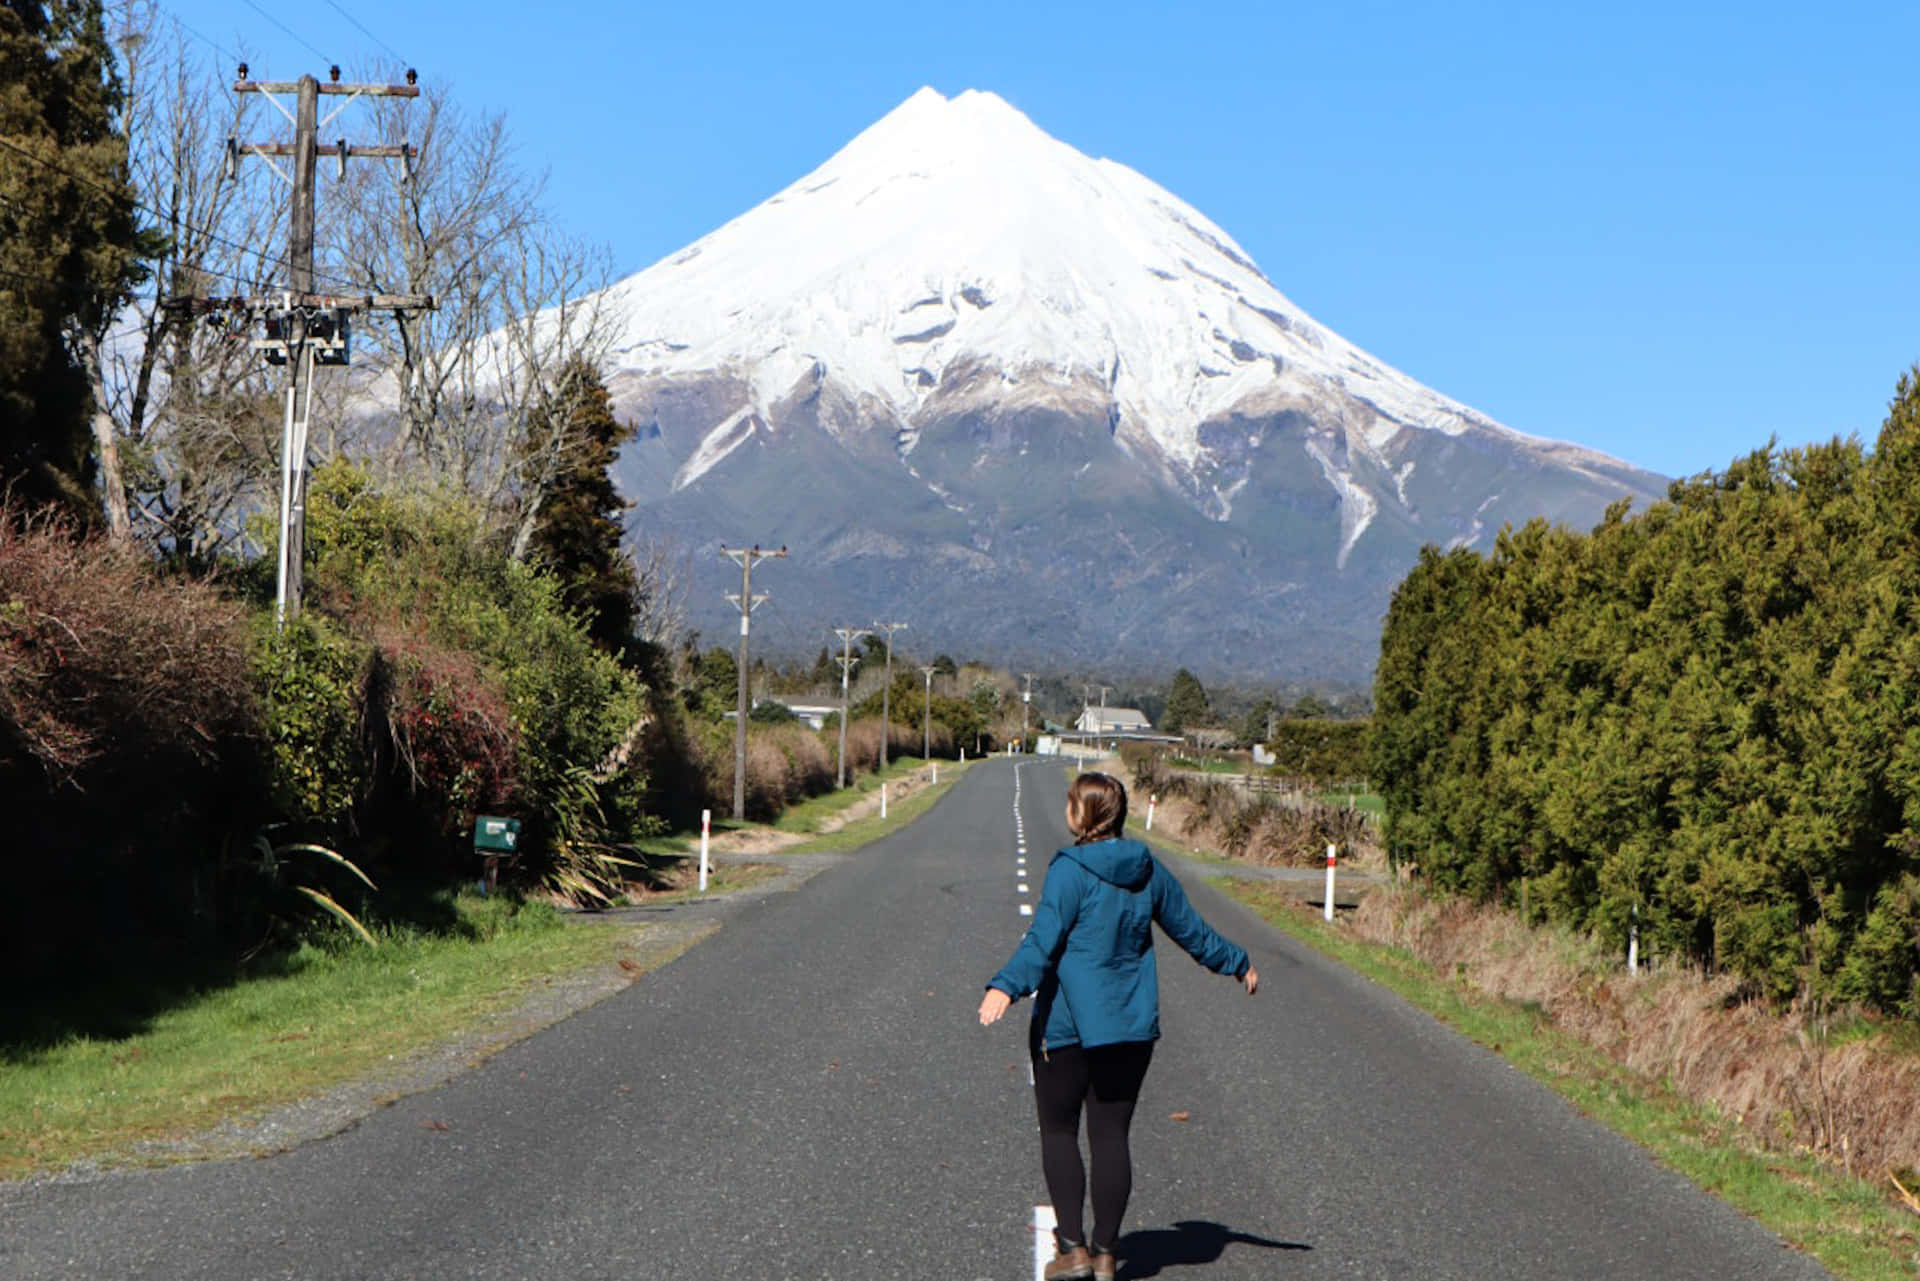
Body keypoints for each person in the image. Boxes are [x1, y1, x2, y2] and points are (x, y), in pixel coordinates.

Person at [979, 771, 1259, 1281]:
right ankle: (1106, 1253)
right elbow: (1192, 932)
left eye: (1070, 802)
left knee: (1060, 1130)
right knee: (1111, 1137)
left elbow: (1041, 941)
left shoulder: (1069, 870)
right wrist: (1237, 962)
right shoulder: (1147, 868)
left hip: (1067, 1030)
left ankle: (1072, 1249)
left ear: (1081, 815)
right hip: (1129, 1031)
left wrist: (1005, 986)